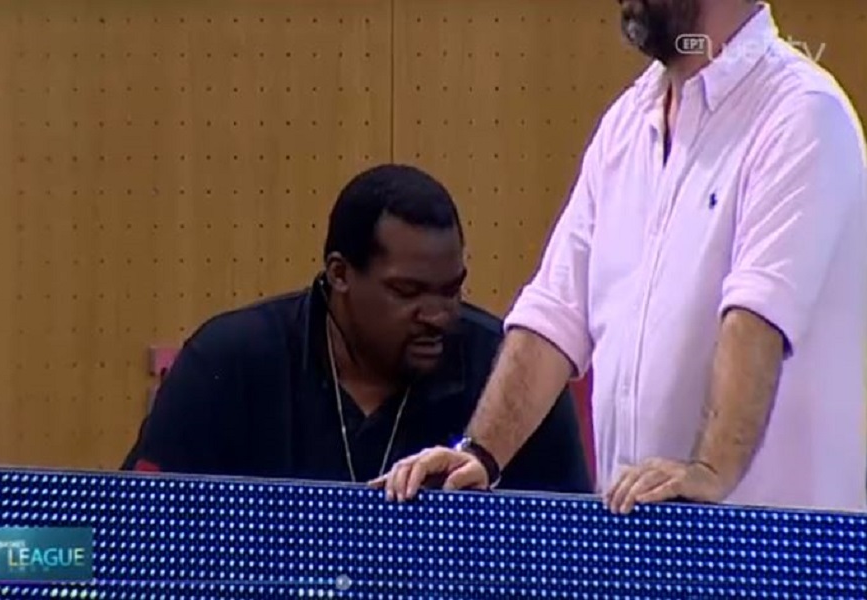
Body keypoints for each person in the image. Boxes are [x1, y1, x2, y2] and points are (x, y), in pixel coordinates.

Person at [371, 0, 867, 513]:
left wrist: (710, 470)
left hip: (772, 544)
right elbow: (555, 311)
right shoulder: (628, 121)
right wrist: (480, 453)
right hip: (638, 534)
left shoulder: (802, 113)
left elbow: (757, 314)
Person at [120, 164, 593, 494]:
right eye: (407, 292)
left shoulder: (508, 377)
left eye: (451, 291)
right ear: (340, 274)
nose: (438, 315)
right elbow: (131, 526)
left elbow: (571, 551)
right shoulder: (228, 363)